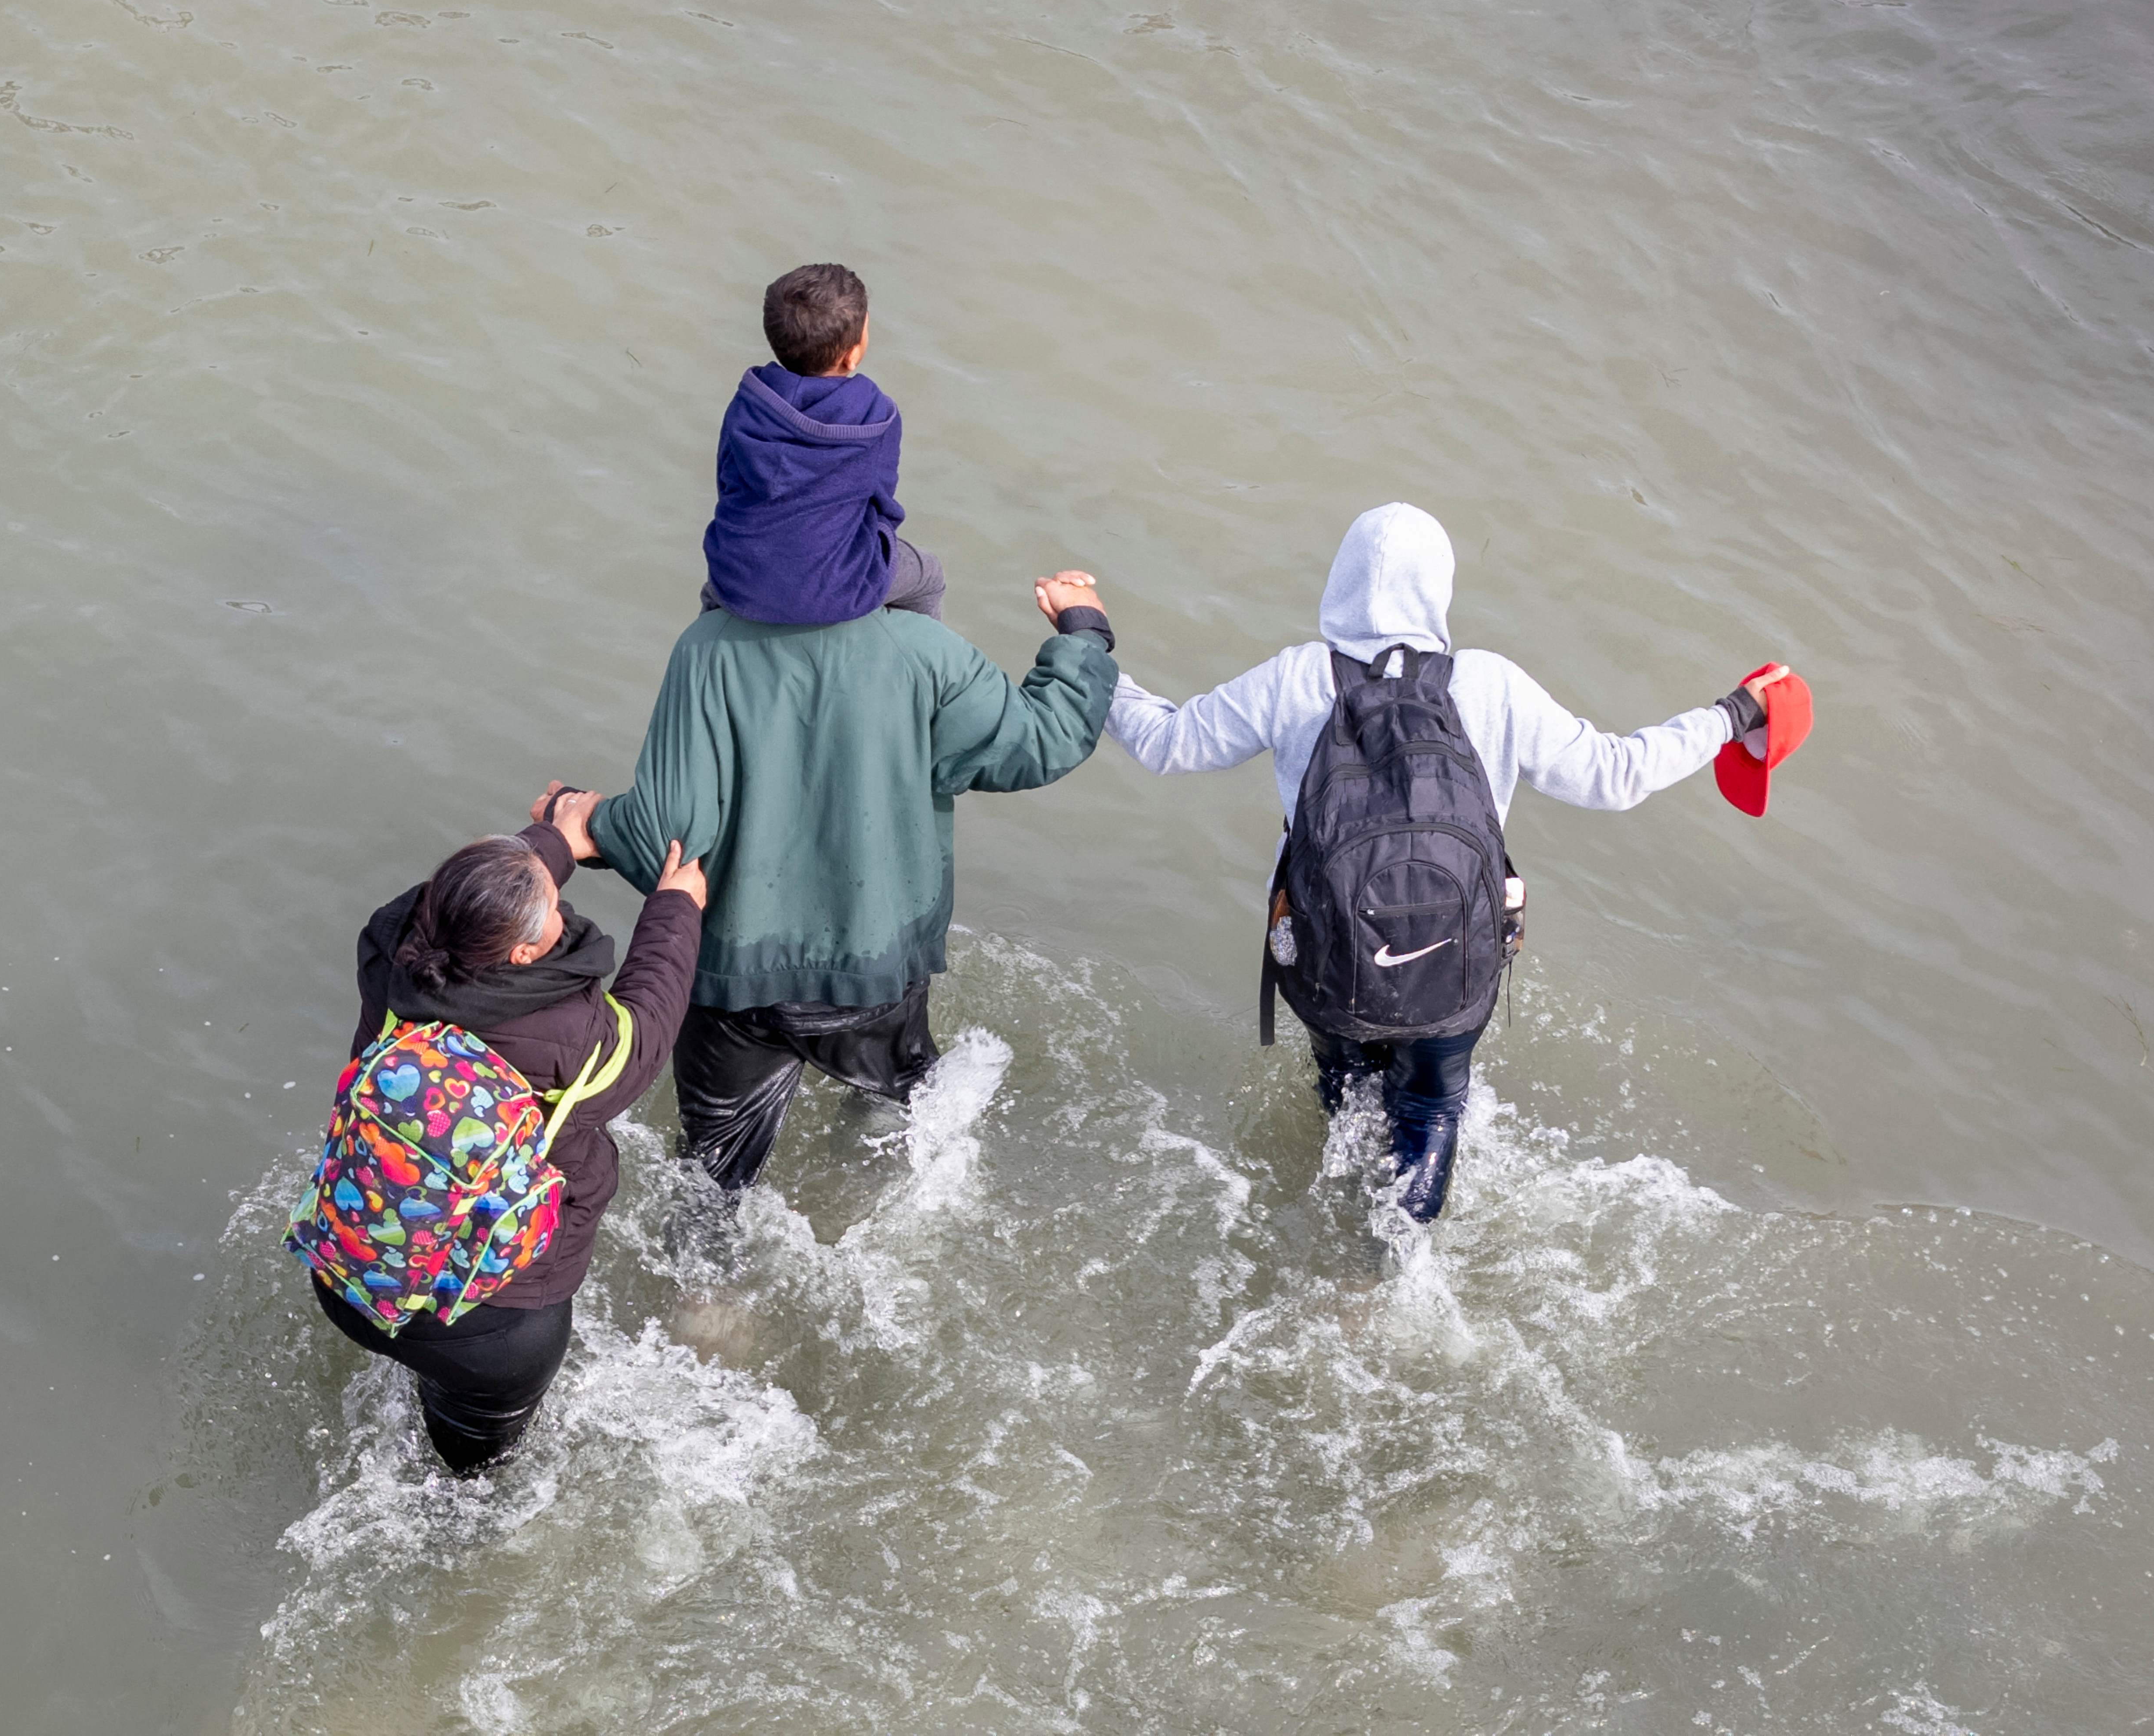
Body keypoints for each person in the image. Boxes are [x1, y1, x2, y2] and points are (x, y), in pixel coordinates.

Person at [1103, 502, 1794, 1223]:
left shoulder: (1297, 678)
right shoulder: (1491, 684)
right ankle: (1385, 1278)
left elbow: (1168, 743)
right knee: (1430, 1106)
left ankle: (1337, 1223)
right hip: (1454, 959)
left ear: (1339, 580)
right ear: (1441, 588)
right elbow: (1615, 775)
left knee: (1346, 1092)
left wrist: (1088, 650)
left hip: (1329, 955)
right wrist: (1733, 715)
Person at [566, 571, 1120, 1195]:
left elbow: (660, 836)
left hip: (734, 981)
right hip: (871, 972)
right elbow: (1042, 740)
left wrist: (585, 824)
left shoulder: (707, 648)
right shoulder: (920, 650)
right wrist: (1084, 632)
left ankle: (705, 1295)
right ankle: (862, 1197)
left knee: (710, 1176)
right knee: (905, 1106)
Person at [309, 793, 707, 1473]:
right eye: (553, 910)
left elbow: (450, 899)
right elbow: (646, 1033)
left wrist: (553, 841)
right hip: (492, 1329)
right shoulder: (575, 1041)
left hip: (350, 1272)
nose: (563, 912)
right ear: (523, 954)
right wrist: (677, 908)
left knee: (415, 1374)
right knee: (471, 1486)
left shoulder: (388, 943)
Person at [698, 262, 947, 625]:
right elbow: (883, 505)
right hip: (835, 592)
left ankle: (709, 651)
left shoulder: (748, 401)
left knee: (713, 595)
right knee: (929, 576)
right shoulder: (876, 415)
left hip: (737, 580)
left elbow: (727, 482)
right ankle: (921, 671)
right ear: (853, 353)